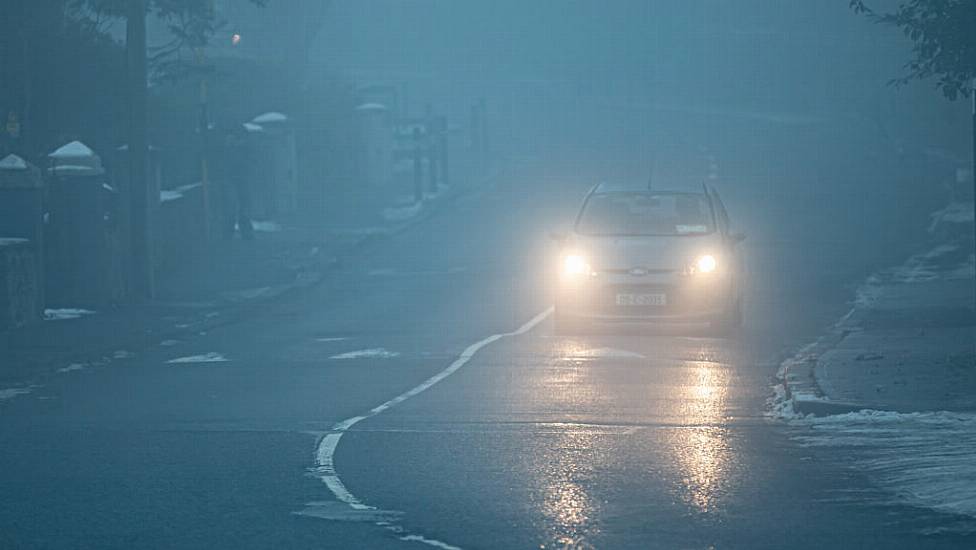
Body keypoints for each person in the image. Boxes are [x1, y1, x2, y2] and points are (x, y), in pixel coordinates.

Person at [220, 125, 254, 240]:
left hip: (237, 180)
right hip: (235, 180)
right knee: (235, 208)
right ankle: (232, 234)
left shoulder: (237, 150)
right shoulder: (236, 150)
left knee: (238, 208)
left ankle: (231, 234)